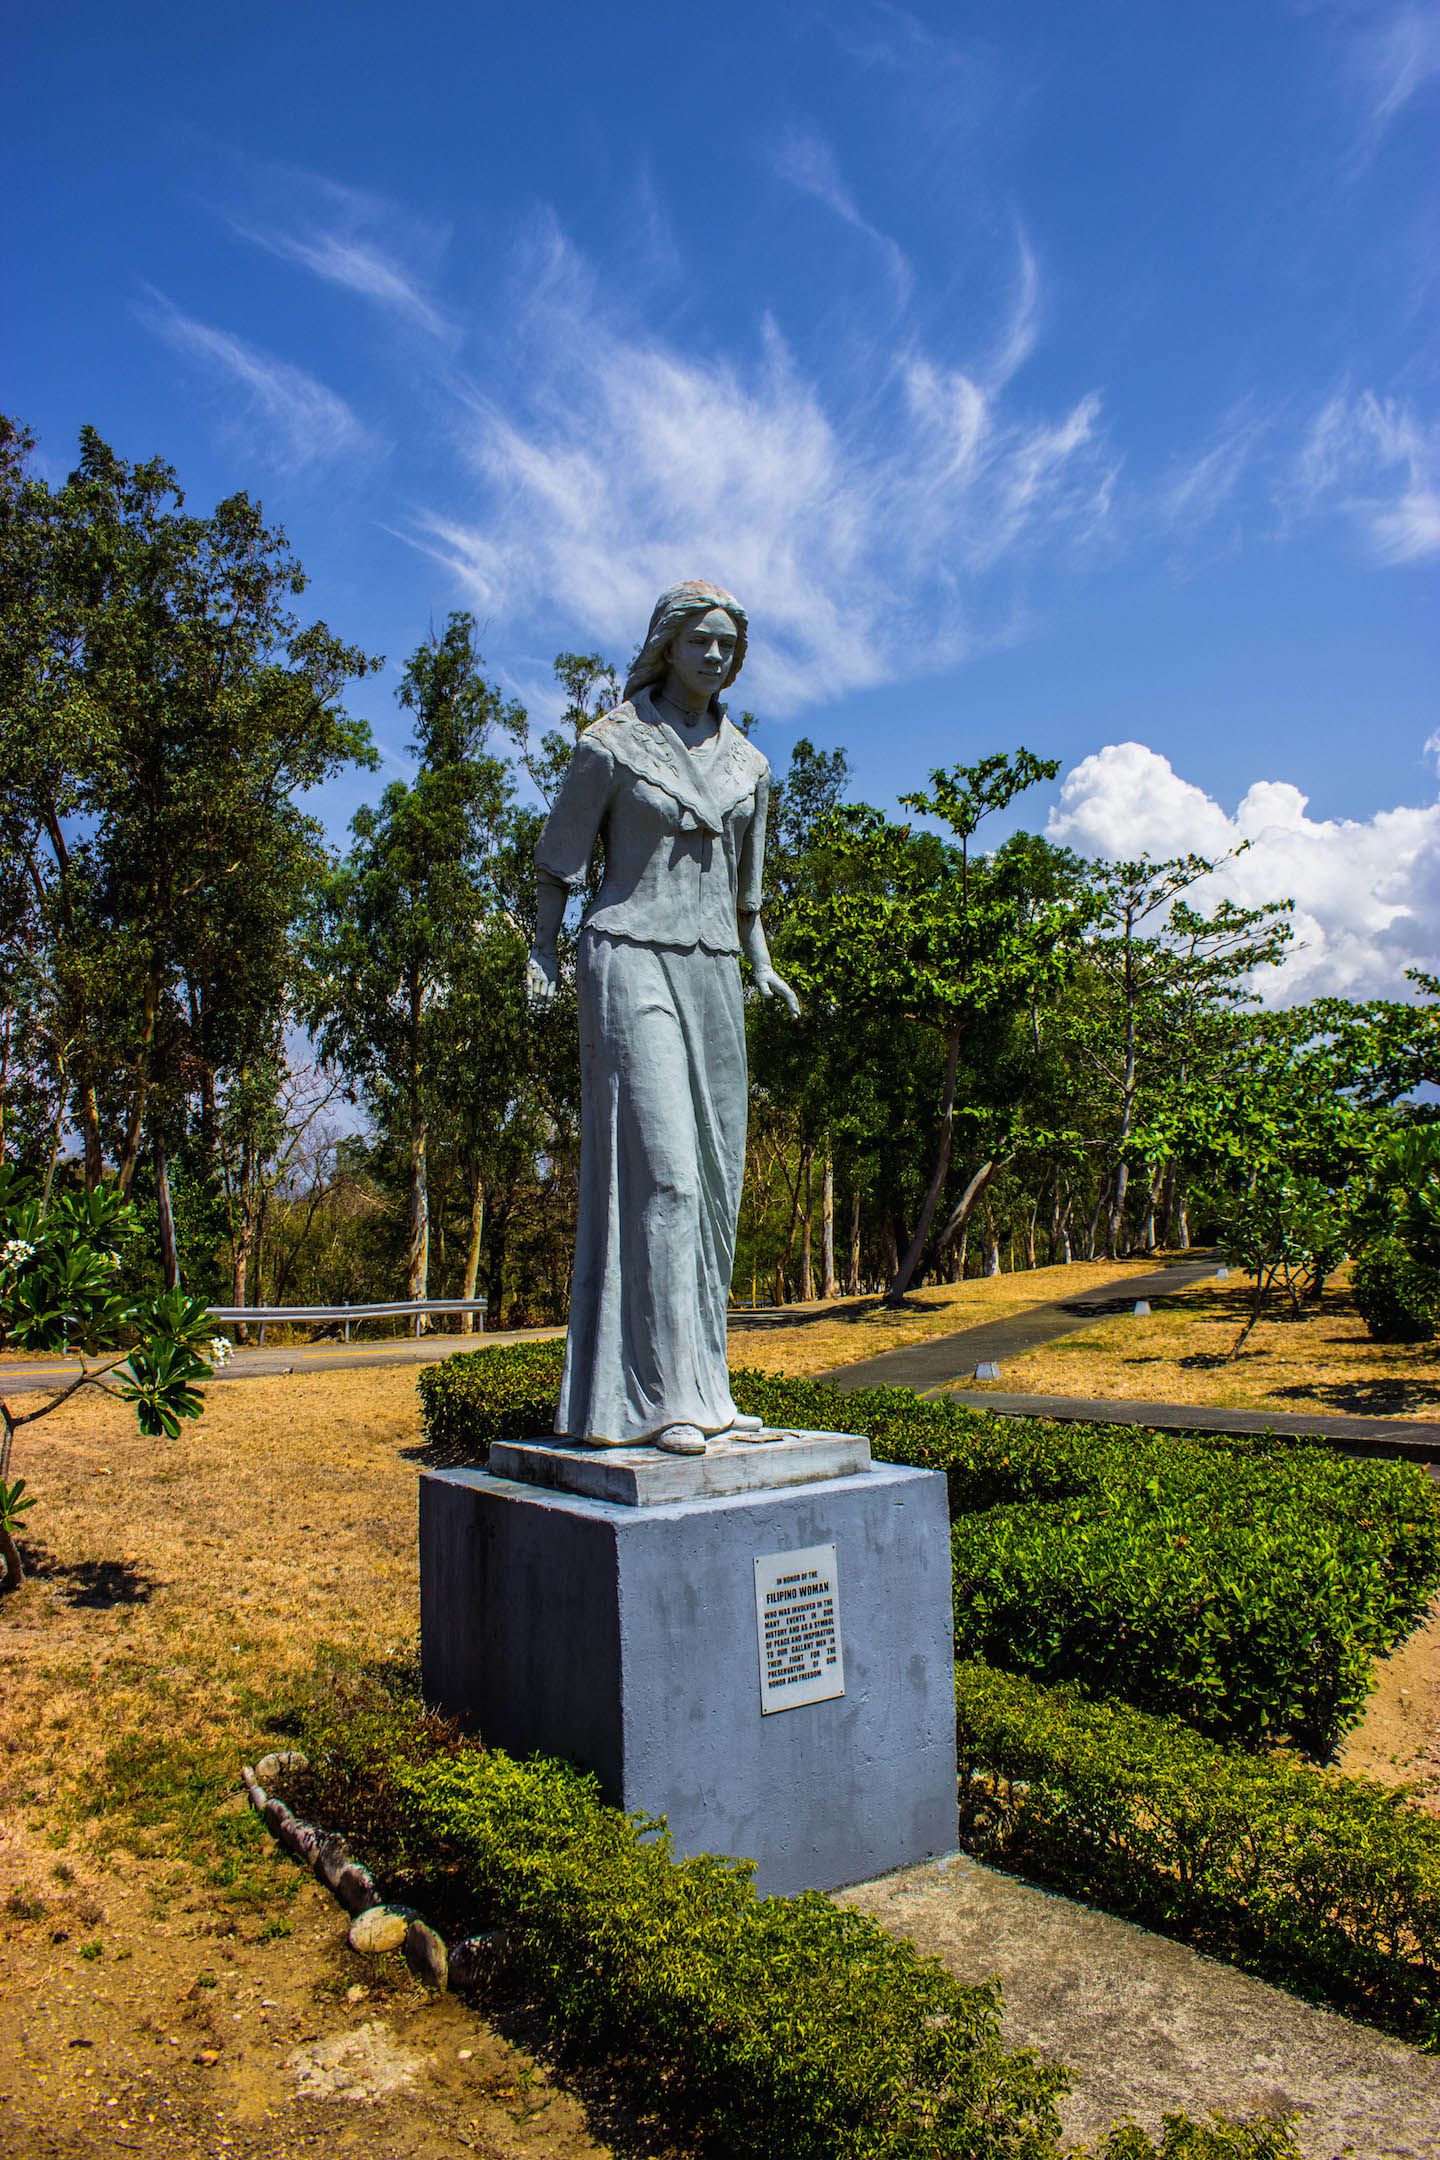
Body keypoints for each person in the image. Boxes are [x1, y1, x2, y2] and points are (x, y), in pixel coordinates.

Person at [527, 581, 799, 1454]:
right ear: (668, 645)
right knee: (667, 1177)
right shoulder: (612, 745)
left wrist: (764, 967)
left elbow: (748, 897)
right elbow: (560, 862)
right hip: (630, 955)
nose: (715, 658)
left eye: (728, 647)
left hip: (717, 969)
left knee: (716, 1187)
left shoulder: (750, 768)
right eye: (701, 643)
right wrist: (540, 952)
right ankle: (655, 1398)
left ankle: (704, 1386)